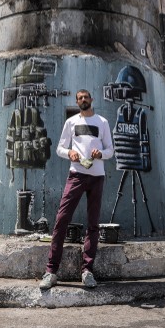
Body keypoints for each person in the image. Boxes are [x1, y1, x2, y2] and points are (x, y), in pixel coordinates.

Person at [39, 89, 114, 290]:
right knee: (61, 220)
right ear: (77, 101)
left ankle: (87, 271)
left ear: (92, 100)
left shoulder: (102, 122)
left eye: (86, 98)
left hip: (97, 177)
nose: (83, 100)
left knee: (93, 224)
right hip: (76, 176)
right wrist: (70, 152)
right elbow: (60, 148)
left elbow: (110, 150)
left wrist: (101, 154)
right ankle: (51, 271)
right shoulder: (71, 122)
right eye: (79, 98)